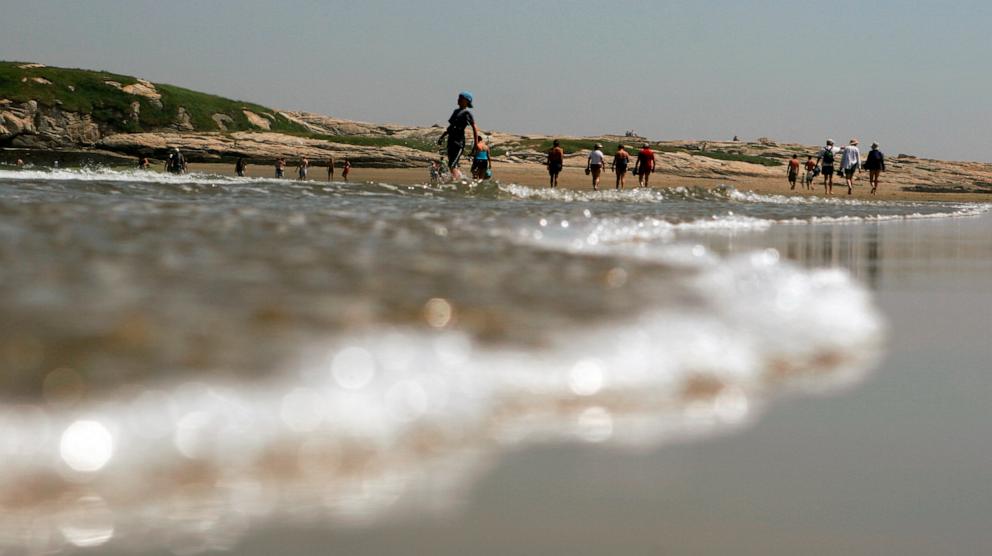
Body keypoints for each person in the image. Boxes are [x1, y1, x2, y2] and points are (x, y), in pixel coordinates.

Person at [436, 91, 479, 181]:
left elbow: (474, 128)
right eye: (458, 98)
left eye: (460, 98)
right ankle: (460, 180)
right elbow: (451, 127)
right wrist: (442, 136)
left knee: (452, 165)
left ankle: (456, 181)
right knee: (452, 164)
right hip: (451, 141)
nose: (458, 100)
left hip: (459, 143)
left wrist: (476, 144)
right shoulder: (456, 112)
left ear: (467, 101)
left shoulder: (467, 113)